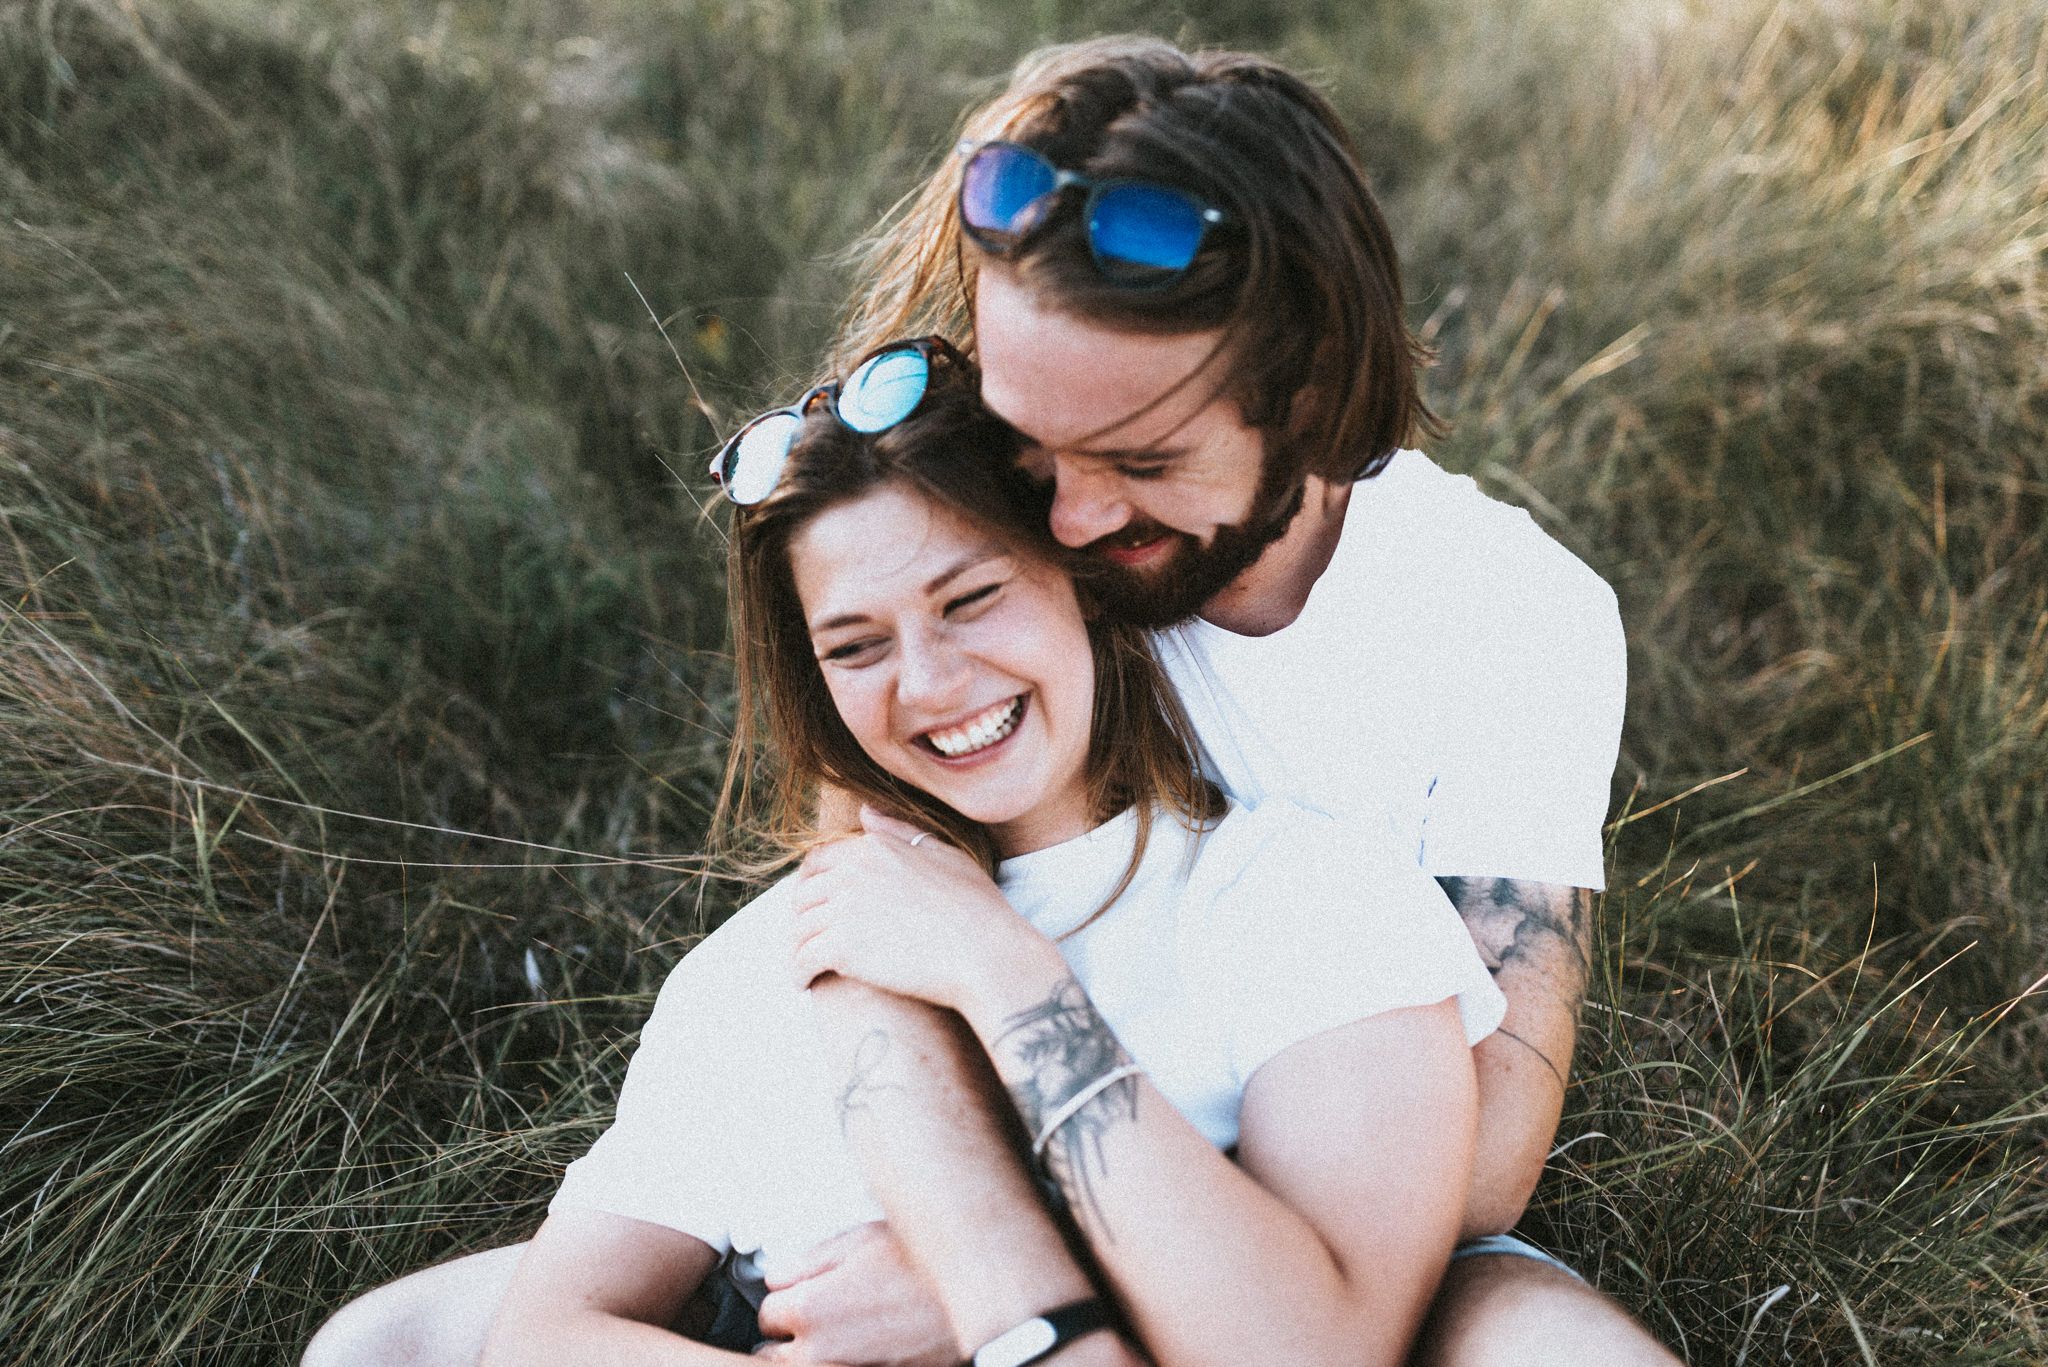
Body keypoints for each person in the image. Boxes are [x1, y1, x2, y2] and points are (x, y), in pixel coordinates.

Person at [461, 339, 1500, 1364]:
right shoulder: (758, 971)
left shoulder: (1307, 896)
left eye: (970, 599)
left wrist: (1001, 971)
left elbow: (1311, 1349)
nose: (929, 681)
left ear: (1083, 583)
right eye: (856, 644)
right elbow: (546, 1331)